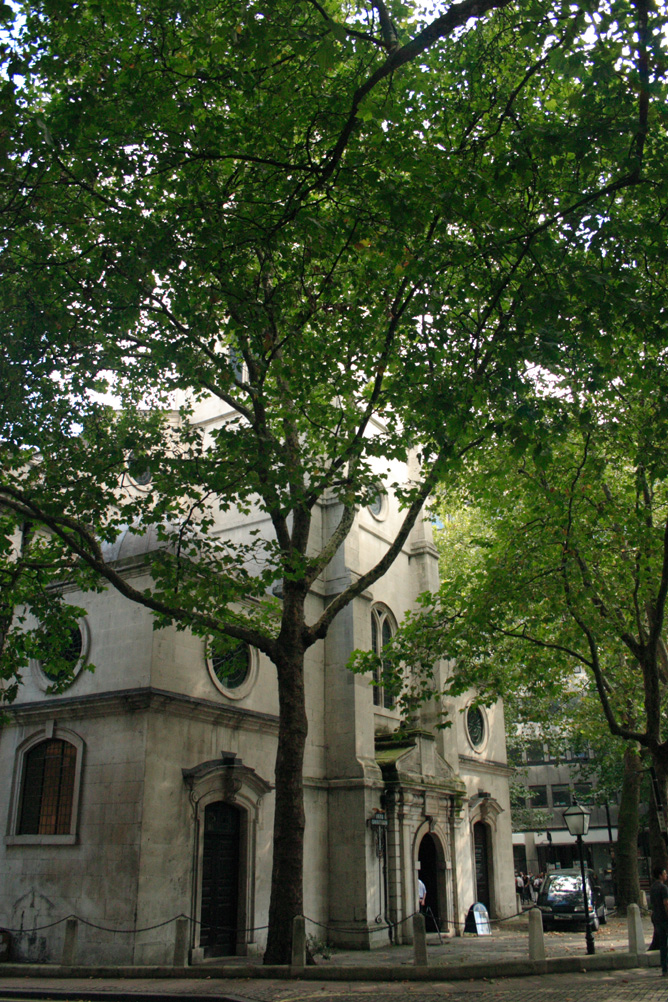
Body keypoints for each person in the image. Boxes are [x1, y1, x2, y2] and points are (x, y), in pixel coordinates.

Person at [649, 864, 668, 976]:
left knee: (662, 944)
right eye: (665, 873)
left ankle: (664, 968)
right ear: (660, 875)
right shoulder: (663, 888)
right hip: (665, 918)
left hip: (657, 918)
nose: (666, 875)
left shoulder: (652, 888)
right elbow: (666, 903)